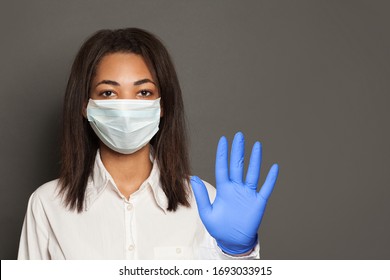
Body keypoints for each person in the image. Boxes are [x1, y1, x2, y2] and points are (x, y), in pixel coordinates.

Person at [17, 27, 279, 260]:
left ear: (162, 106)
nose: (126, 107)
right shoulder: (47, 205)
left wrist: (237, 253)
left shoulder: (207, 203)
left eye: (143, 92)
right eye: (108, 93)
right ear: (85, 106)